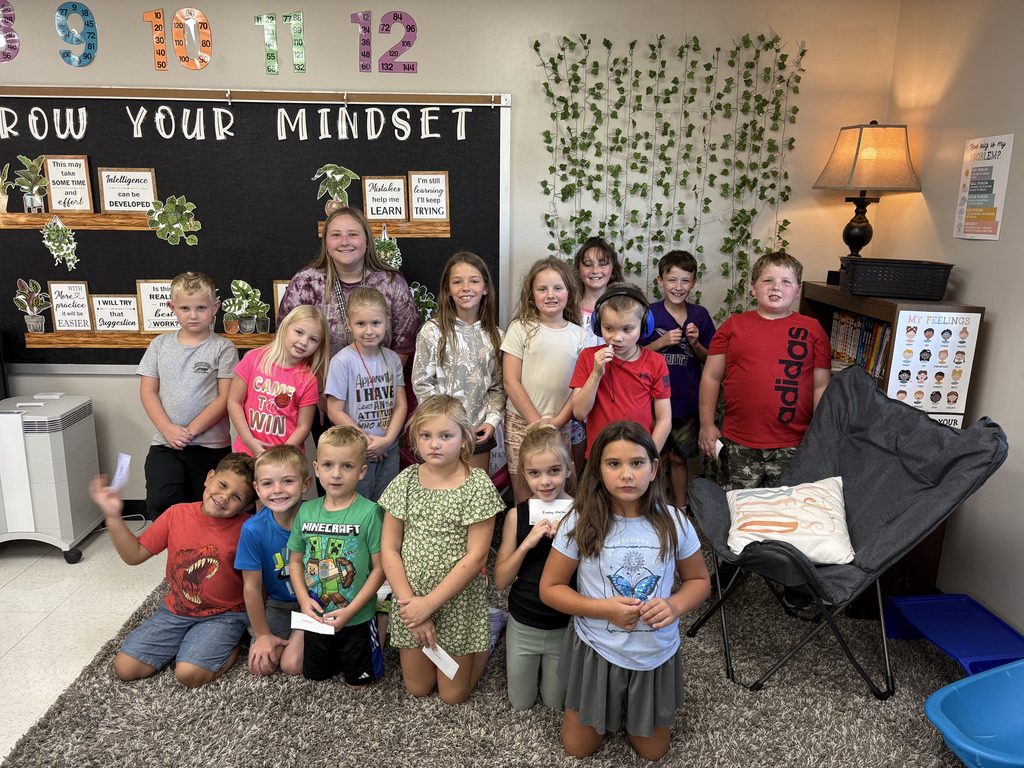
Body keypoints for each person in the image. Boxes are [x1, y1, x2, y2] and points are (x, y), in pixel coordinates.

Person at [539, 421, 710, 761]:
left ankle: (632, 704)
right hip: (598, 648)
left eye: (637, 463)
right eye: (614, 464)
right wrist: (603, 609)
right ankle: (605, 700)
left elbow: (699, 582)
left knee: (653, 752)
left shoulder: (676, 521)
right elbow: (550, 588)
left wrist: (674, 606)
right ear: (598, 469)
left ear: (654, 467)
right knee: (577, 748)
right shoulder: (579, 520)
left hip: (654, 653)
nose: (626, 474)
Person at [88, 453, 257, 688]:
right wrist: (113, 517)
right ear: (209, 478)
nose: (224, 497)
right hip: (175, 610)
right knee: (125, 669)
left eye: (236, 496)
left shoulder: (248, 529)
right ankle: (193, 643)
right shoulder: (176, 514)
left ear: (247, 506)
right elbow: (134, 555)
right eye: (223, 484)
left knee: (188, 675)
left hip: (224, 615)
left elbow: (257, 583)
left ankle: (233, 643)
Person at [379, 394, 505, 705]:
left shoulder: (477, 484)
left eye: (445, 436)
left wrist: (430, 604)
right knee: (418, 688)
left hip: (455, 601)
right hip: (411, 600)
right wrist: (413, 607)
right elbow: (390, 548)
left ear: (464, 439)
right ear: (416, 439)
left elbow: (476, 557)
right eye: (426, 436)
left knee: (453, 696)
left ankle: (488, 631)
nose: (434, 444)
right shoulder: (405, 481)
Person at [697, 251, 831, 491]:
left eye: (786, 282)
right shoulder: (733, 326)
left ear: (798, 290)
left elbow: (821, 385)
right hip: (739, 442)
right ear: (753, 287)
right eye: (767, 280)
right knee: (739, 509)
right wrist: (707, 424)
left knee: (784, 512)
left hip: (794, 443)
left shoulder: (812, 330)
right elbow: (711, 377)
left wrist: (820, 434)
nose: (776, 287)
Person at [287, 426, 386, 687]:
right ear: (316, 468)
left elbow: (380, 569)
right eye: (329, 465)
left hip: (357, 616)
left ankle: (383, 618)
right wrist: (303, 600)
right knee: (315, 676)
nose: (336, 474)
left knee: (358, 684)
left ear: (362, 471)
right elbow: (295, 561)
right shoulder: (306, 510)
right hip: (317, 614)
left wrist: (352, 609)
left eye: (348, 466)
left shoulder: (371, 513)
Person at [137, 271, 237, 519]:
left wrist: (190, 431)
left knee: (206, 508)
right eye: (185, 308)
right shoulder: (159, 345)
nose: (193, 315)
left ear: (215, 307)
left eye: (201, 307)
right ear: (172, 307)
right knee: (162, 501)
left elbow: (225, 399)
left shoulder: (223, 348)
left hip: (210, 446)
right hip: (166, 443)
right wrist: (168, 429)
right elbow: (148, 391)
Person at [493, 424, 576, 711]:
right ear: (524, 474)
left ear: (568, 469)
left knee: (555, 704)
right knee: (520, 703)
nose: (545, 482)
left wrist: (569, 540)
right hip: (524, 620)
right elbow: (501, 580)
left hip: (564, 625)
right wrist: (527, 542)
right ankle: (500, 631)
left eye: (554, 470)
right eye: (534, 473)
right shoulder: (517, 515)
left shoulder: (582, 515)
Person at [278, 206, 420, 363]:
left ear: (367, 240)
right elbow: (285, 340)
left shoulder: (392, 283)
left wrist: (381, 383)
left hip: (376, 384)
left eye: (352, 234)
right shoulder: (305, 282)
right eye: (336, 235)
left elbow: (404, 347)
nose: (344, 242)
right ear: (326, 242)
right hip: (317, 385)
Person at [501, 257, 587, 503]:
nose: (551, 294)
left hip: (562, 423)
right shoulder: (520, 329)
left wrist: (557, 423)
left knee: (559, 488)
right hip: (522, 423)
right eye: (542, 289)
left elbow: (579, 389)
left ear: (569, 293)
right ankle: (525, 539)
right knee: (525, 491)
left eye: (558, 288)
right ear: (532, 294)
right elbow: (511, 381)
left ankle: (557, 540)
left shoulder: (581, 337)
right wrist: (537, 423)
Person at [412, 252, 505, 472]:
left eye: (474, 281)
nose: (466, 287)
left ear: (485, 288)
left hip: (478, 434)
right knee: (442, 496)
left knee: (474, 495)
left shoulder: (497, 336)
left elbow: (497, 387)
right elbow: (422, 383)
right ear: (448, 290)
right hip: (440, 434)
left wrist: (491, 421)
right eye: (457, 282)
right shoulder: (432, 332)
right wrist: (444, 424)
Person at [642, 250, 716, 509]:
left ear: (694, 282)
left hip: (686, 403)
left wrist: (695, 343)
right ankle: (652, 509)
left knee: (678, 458)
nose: (678, 287)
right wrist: (660, 343)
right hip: (651, 402)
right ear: (660, 281)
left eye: (685, 280)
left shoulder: (701, 315)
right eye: (672, 280)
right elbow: (630, 356)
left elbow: (711, 360)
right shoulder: (648, 314)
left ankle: (681, 510)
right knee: (652, 457)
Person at [234, 445, 313, 676]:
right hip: (280, 605)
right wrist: (262, 635)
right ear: (257, 489)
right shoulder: (252, 530)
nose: (277, 490)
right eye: (268, 483)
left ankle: (304, 632)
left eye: (287, 481)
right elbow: (252, 587)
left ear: (306, 484)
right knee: (263, 666)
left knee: (292, 665)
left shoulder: (319, 518)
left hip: (317, 600)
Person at [570, 283, 672, 459]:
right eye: (608, 328)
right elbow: (579, 412)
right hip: (598, 458)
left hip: (639, 457)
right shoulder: (589, 358)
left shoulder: (656, 362)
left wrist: (647, 458)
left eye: (627, 329)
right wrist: (596, 374)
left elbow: (664, 419)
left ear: (644, 325)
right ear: (597, 324)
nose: (617, 337)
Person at [325, 287, 408, 501]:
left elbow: (400, 405)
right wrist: (366, 442)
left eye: (376, 323)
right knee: (357, 504)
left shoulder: (391, 359)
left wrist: (387, 439)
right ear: (349, 324)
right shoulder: (342, 361)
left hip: (388, 449)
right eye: (361, 324)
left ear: (387, 321)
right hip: (356, 451)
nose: (369, 331)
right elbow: (334, 411)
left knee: (386, 505)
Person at [228, 305, 329, 457]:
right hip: (247, 453)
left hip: (285, 460)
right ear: (285, 327)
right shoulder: (253, 359)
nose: (303, 342)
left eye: (313, 339)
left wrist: (279, 456)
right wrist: (249, 441)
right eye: (299, 332)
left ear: (319, 344)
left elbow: (303, 426)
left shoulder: (308, 380)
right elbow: (234, 402)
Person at [571, 237, 626, 473]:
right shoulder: (567, 308)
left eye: (602, 263)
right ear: (578, 270)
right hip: (573, 399)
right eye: (587, 264)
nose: (595, 270)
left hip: (609, 400)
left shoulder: (626, 309)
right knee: (574, 469)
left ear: (613, 270)